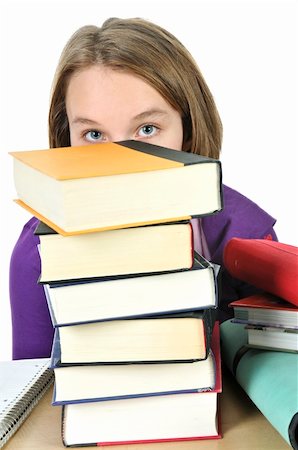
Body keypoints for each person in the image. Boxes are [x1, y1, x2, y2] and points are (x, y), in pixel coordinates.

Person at [9, 17, 277, 360]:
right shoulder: (39, 253)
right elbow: (33, 391)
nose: (122, 161)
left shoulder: (245, 236)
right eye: (94, 135)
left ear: (188, 130)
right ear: (66, 142)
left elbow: (275, 380)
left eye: (147, 129)